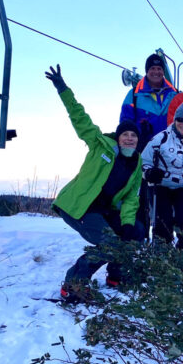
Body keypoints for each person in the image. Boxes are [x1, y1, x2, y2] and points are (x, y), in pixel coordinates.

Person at [46, 65, 144, 303]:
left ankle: (116, 276)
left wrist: (128, 223)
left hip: (103, 210)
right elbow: (79, 117)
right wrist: (63, 89)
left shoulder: (136, 162)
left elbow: (131, 197)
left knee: (136, 232)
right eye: (125, 135)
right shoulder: (100, 144)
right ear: (118, 137)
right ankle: (73, 285)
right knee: (109, 244)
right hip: (79, 207)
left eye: (133, 135)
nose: (129, 138)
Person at [142, 102, 183, 249]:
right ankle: (162, 251)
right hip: (161, 185)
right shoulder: (161, 138)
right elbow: (144, 161)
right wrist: (149, 173)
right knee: (162, 220)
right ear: (175, 120)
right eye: (180, 119)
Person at [120, 53, 178, 152]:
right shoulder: (134, 95)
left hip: (170, 152)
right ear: (147, 71)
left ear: (163, 71)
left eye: (159, 68)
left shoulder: (174, 95)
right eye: (153, 68)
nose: (156, 72)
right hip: (143, 151)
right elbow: (126, 123)